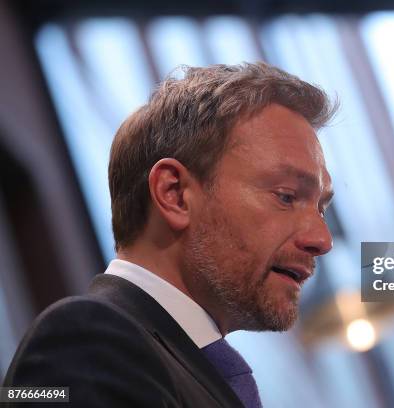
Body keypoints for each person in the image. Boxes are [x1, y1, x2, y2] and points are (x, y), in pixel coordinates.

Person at [3, 62, 337, 407]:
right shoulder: (84, 343)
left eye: (321, 209)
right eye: (286, 196)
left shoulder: (176, 360)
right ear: (174, 194)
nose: (322, 239)